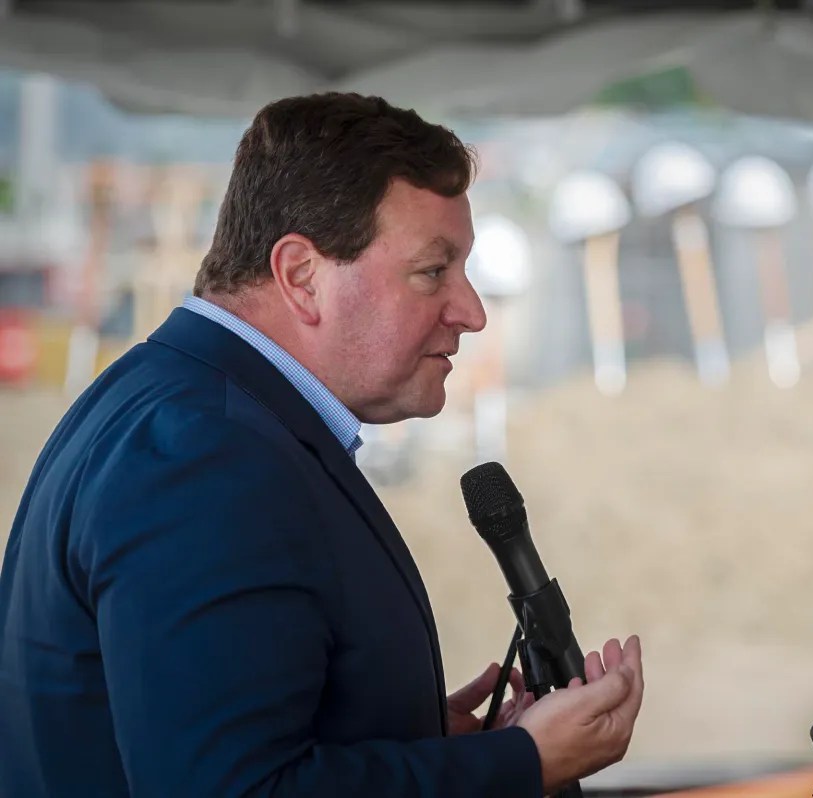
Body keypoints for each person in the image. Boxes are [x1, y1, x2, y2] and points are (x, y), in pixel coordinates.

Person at [0, 93, 644, 797]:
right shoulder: (207, 455)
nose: (472, 312)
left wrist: (402, 734)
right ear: (303, 277)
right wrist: (519, 763)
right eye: (433, 272)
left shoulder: (178, 402)